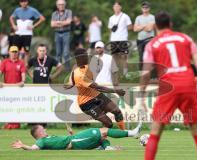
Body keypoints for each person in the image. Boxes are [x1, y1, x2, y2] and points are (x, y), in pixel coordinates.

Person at [140, 11, 197, 160]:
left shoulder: (152, 44)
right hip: (188, 83)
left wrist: (141, 94)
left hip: (169, 86)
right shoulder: (185, 38)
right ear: (170, 24)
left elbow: (145, 73)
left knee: (156, 130)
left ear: (155, 26)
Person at [64, 48, 125, 130]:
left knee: (117, 112)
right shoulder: (79, 75)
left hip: (97, 95)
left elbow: (71, 81)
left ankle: (124, 132)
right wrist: (116, 91)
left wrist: (70, 83)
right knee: (109, 124)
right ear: (79, 58)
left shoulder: (84, 67)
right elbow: (98, 87)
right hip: (86, 103)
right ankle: (95, 138)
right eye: (85, 55)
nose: (87, 57)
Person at [12, 124, 141, 150]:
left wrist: (70, 134)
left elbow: (60, 143)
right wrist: (24, 146)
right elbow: (34, 148)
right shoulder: (41, 141)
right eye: (42, 129)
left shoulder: (46, 139)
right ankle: (132, 133)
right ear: (39, 133)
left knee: (102, 138)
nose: (44, 129)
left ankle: (108, 149)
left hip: (74, 139)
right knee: (103, 131)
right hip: (74, 142)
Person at [0, 46, 26, 129]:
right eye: (12, 52)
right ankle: (9, 124)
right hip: (7, 89)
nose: (14, 53)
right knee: (8, 107)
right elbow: (0, 72)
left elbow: (23, 75)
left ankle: (16, 124)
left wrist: (23, 81)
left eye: (15, 52)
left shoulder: (21, 63)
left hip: (17, 89)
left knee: (17, 106)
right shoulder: (5, 62)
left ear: (18, 53)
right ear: (9, 52)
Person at [108, 1, 132, 76]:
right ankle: (115, 73)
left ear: (120, 7)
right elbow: (110, 28)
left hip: (122, 39)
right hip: (113, 39)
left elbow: (130, 26)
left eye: (117, 6)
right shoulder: (111, 18)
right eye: (115, 6)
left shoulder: (125, 16)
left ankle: (125, 73)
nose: (116, 8)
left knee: (124, 56)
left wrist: (123, 30)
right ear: (113, 8)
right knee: (114, 57)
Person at [51, 0, 72, 71]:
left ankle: (67, 69)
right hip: (57, 33)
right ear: (57, 5)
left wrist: (57, 22)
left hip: (66, 33)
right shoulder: (54, 13)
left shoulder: (69, 12)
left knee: (66, 53)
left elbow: (68, 22)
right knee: (58, 53)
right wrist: (63, 22)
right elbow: (52, 25)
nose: (61, 6)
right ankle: (59, 70)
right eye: (59, 4)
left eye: (62, 4)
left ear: (65, 5)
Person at [134, 1, 155, 70]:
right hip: (140, 40)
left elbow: (149, 29)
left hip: (149, 39)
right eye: (143, 7)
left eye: (146, 7)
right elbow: (135, 29)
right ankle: (141, 74)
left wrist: (140, 26)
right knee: (141, 58)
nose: (145, 8)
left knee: (149, 57)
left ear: (149, 8)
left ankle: (151, 74)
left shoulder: (152, 17)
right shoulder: (138, 18)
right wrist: (145, 26)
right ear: (141, 8)